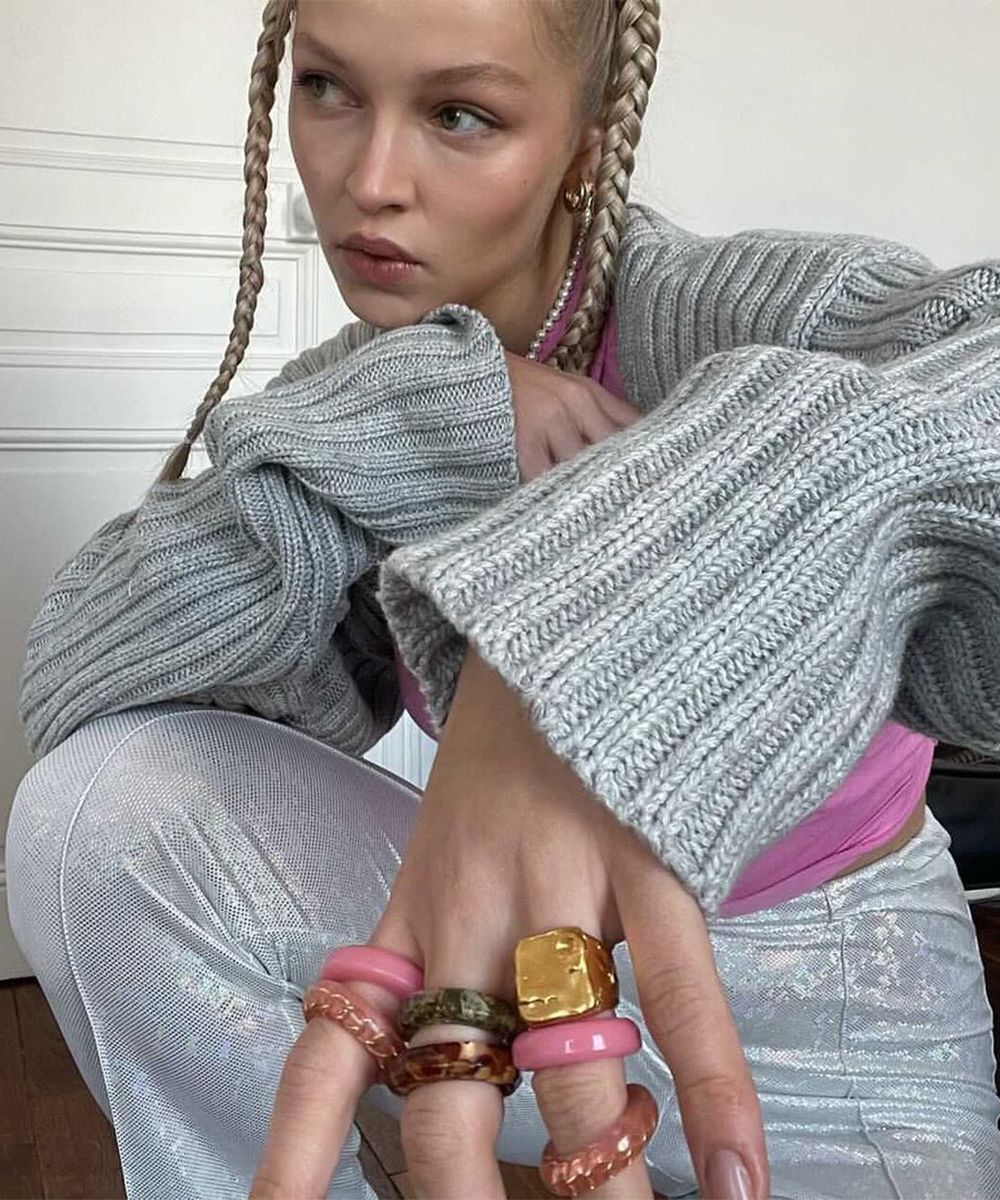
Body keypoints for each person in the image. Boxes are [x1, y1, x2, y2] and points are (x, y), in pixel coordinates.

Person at [6, 0, 1000, 1197]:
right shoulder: (364, 405)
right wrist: (424, 419)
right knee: (97, 814)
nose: (370, 180)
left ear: (582, 143)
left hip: (837, 1000)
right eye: (328, 89)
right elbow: (74, 674)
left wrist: (584, 638)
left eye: (460, 113)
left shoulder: (739, 307)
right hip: (504, 966)